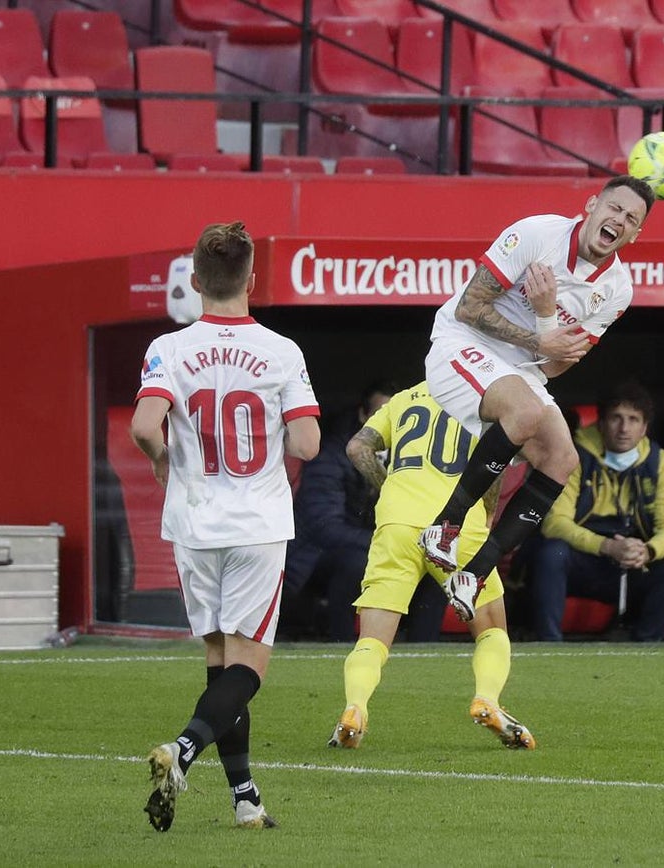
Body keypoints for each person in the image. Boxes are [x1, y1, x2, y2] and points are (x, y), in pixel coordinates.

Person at [130, 221, 320, 831]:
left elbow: (143, 425)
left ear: (195, 280)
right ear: (252, 280)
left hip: (192, 522)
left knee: (218, 660)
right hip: (257, 523)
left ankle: (245, 800)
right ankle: (182, 750)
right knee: (248, 668)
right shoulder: (281, 351)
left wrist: (163, 459)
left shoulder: (168, 349)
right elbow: (308, 444)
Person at [417, 175, 657, 623]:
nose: (618, 220)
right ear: (591, 205)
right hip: (460, 341)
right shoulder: (536, 234)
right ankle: (444, 527)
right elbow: (470, 307)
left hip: (521, 366)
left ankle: (473, 574)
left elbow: (558, 361)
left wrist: (546, 322)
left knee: (563, 460)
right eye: (614, 208)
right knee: (525, 411)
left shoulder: (618, 289)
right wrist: (540, 337)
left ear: (636, 234)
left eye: (631, 219)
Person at [327, 380, 534, 750]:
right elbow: (494, 462)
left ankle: (355, 708)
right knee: (491, 631)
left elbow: (357, 447)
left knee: (372, 640)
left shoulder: (404, 399)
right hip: (457, 526)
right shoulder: (483, 400)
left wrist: (388, 485)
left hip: (397, 523)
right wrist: (486, 513)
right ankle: (487, 698)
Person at [282, 381, 445, 643]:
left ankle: (423, 649)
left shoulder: (414, 456)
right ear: (363, 415)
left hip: (384, 547)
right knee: (358, 561)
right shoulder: (333, 453)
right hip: (317, 560)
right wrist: (389, 543)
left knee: (434, 561)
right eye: (381, 413)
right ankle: (343, 644)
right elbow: (325, 527)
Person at [529, 380, 664, 641]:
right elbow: (554, 523)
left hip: (630, 563)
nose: (624, 428)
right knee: (551, 553)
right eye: (616, 418)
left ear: (644, 428)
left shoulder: (658, 460)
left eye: (633, 419)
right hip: (584, 560)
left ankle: (647, 646)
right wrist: (606, 546)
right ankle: (549, 644)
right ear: (601, 423)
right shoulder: (573, 453)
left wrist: (648, 551)